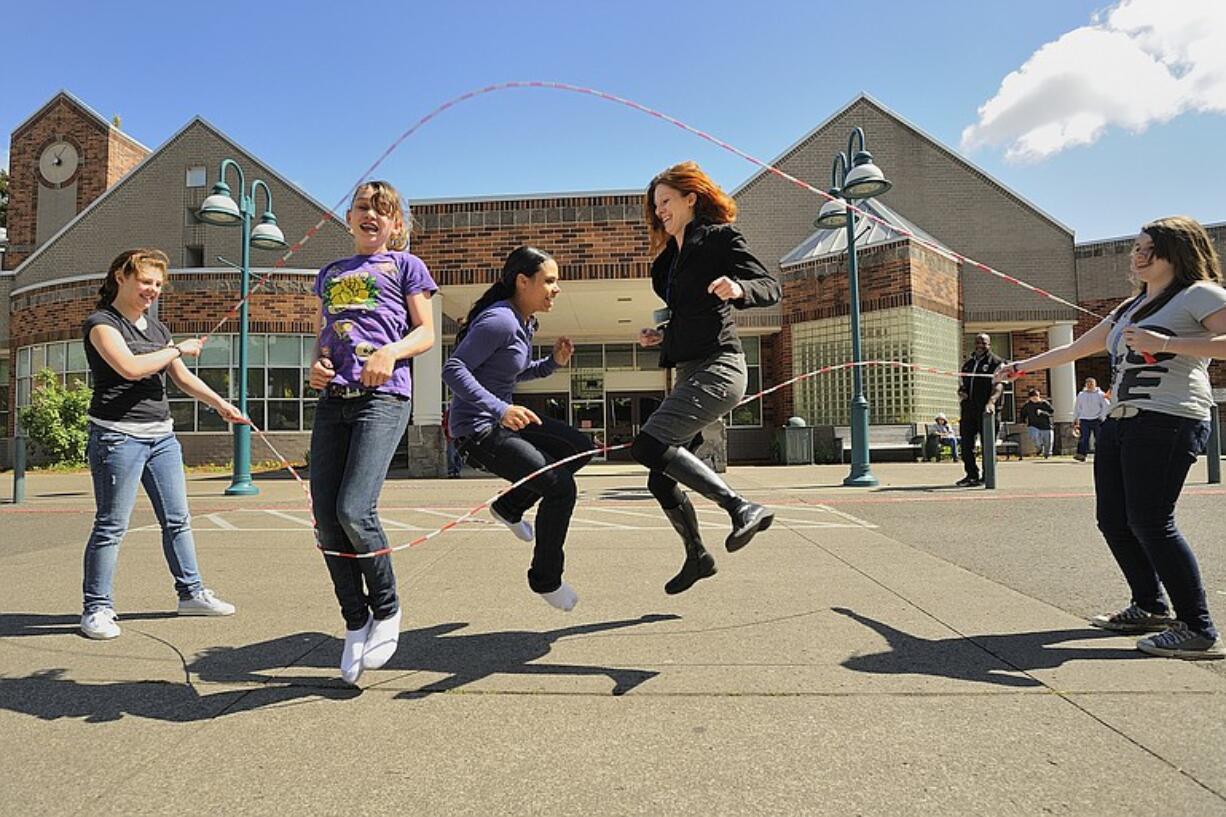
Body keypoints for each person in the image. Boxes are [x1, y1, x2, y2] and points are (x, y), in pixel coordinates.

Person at [997, 216, 1226, 659]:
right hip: (1122, 422)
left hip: (1168, 417)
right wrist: (1021, 367)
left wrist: (1168, 343)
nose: (1137, 256)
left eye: (1148, 249)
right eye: (1135, 248)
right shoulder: (1130, 307)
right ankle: (1149, 605)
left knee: (1151, 520)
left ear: (1175, 252)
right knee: (1114, 520)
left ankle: (1198, 628)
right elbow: (1076, 348)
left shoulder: (1199, 294)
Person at [308, 180, 437, 684]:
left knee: (354, 509)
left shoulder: (406, 266)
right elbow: (324, 339)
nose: (371, 215)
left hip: (383, 398)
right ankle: (354, 622)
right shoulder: (330, 273)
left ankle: (386, 609)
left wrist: (391, 352)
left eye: (382, 210)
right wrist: (317, 366)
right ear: (349, 217)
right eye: (363, 206)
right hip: (333, 400)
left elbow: (425, 332)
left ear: (395, 224)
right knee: (326, 522)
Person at [632, 161, 781, 594]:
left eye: (666, 201)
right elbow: (688, 315)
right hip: (690, 371)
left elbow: (769, 285)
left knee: (649, 445)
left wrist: (739, 289)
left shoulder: (717, 239)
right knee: (660, 475)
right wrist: (659, 335)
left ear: (690, 198)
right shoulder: (667, 265)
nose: (659, 211)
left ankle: (741, 507)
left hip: (720, 367)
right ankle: (697, 556)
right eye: (655, 205)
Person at [80, 248, 243, 640]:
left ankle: (191, 594)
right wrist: (176, 348)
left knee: (177, 520)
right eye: (145, 281)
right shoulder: (102, 324)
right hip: (117, 437)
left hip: (161, 437)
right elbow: (130, 368)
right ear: (121, 276)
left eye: (157, 284)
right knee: (111, 525)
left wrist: (221, 404)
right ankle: (96, 609)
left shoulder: (158, 330)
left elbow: (182, 379)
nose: (152, 290)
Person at [443, 246, 594, 611]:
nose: (556, 289)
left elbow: (508, 372)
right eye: (549, 281)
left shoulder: (524, 322)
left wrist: (551, 364)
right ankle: (546, 580)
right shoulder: (500, 320)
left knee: (581, 448)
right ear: (522, 282)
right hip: (477, 431)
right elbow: (453, 370)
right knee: (561, 488)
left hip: (503, 420)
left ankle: (510, 506)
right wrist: (500, 408)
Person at [955, 333, 1004, 486]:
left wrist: (991, 402)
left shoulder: (997, 363)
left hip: (986, 411)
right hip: (969, 409)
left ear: (989, 344)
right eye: (977, 342)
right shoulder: (968, 364)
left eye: (984, 343)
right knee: (966, 444)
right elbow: (964, 384)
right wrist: (962, 391)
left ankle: (988, 476)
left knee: (987, 445)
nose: (980, 345)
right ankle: (971, 475)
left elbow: (999, 386)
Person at [1072, 377, 1110, 461]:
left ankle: (1101, 455)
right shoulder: (1081, 395)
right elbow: (1077, 407)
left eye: (1091, 384)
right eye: (1088, 384)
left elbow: (1106, 406)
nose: (1089, 386)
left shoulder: (1100, 394)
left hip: (1097, 419)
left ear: (1095, 384)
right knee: (1084, 438)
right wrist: (1075, 418)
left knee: (1099, 438)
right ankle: (1081, 454)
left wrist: (1102, 417)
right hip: (1084, 419)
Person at [1018, 387, 1054, 458]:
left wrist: (1042, 412)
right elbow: (1023, 414)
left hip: (1046, 426)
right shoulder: (1027, 406)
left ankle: (1047, 454)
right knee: (1034, 437)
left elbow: (1051, 413)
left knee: (1048, 442)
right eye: (1033, 398)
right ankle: (1039, 447)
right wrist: (1022, 421)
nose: (1035, 399)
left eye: (1037, 397)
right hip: (1033, 425)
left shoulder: (1044, 403)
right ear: (1030, 398)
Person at [442, 407, 462, 478]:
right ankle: (451, 471)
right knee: (450, 454)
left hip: (459, 436)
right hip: (451, 437)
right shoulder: (448, 412)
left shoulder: (460, 413)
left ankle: (457, 471)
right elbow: (444, 423)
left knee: (459, 455)